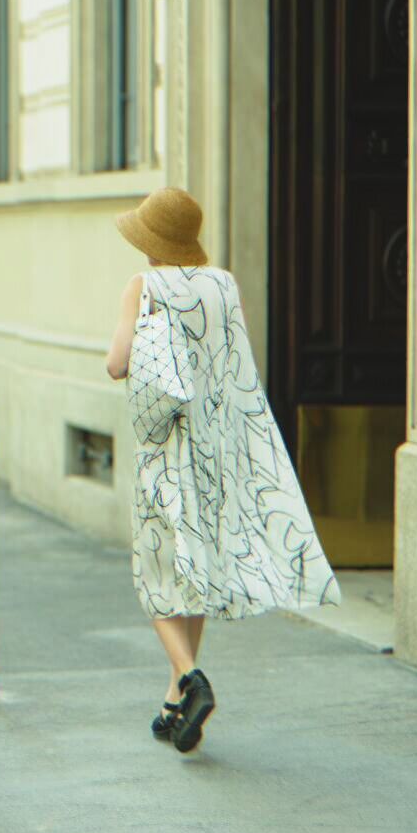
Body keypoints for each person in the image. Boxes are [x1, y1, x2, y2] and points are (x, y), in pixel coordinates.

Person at [105, 187, 341, 754]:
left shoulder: (144, 287)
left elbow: (117, 364)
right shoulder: (224, 284)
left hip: (167, 447)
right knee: (200, 569)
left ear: (149, 242)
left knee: (160, 577)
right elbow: (235, 365)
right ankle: (172, 704)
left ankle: (190, 679)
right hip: (219, 448)